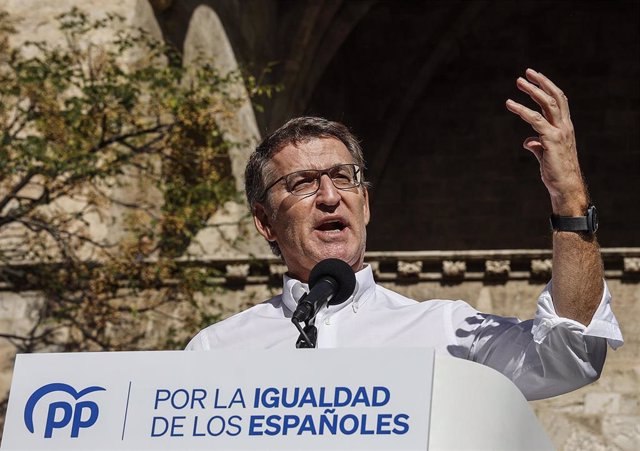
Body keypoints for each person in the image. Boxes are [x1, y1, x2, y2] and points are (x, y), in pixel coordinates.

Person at [187, 69, 622, 401]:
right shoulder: (216, 349)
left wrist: (570, 201)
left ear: (366, 204)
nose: (329, 196)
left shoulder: (443, 332)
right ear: (264, 221)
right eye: (302, 183)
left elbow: (569, 356)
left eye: (344, 177)